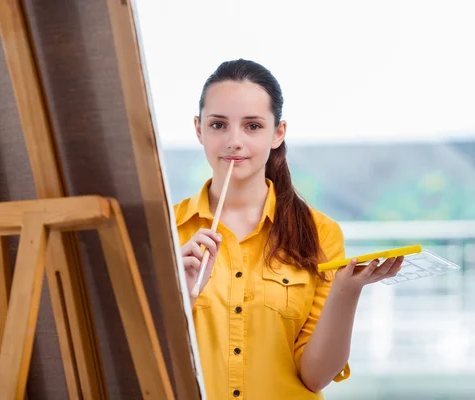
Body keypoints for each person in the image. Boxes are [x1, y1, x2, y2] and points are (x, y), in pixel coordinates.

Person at [173, 59, 404, 399]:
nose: (234, 141)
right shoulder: (165, 232)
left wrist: (347, 290)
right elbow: (138, 362)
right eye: (219, 124)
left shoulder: (321, 233)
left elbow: (316, 376)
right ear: (198, 129)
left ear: (277, 133)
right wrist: (181, 299)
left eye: (252, 126)